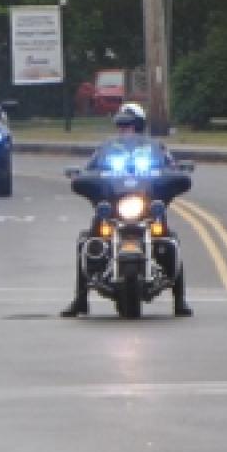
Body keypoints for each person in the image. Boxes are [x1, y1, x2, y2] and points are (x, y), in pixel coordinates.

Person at [60, 103, 193, 318]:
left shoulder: (155, 148)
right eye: (121, 126)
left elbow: (172, 168)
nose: (125, 131)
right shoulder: (105, 149)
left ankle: (180, 300)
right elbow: (89, 169)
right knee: (87, 242)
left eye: (129, 126)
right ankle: (80, 300)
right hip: (113, 208)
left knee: (169, 240)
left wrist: (178, 174)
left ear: (138, 126)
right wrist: (80, 176)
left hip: (146, 206)